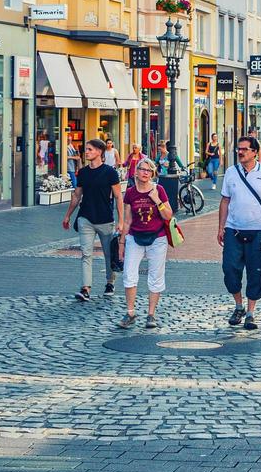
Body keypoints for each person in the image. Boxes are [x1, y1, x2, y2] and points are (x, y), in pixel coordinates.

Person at [217, 135, 261, 330]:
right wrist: (221, 227)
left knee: (256, 272)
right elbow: (225, 201)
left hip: (260, 231)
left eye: (244, 149)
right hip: (233, 229)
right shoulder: (230, 172)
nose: (240, 152)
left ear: (255, 152)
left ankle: (250, 312)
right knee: (229, 270)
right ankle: (238, 305)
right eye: (239, 148)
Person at [62, 138, 121, 302]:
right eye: (86, 149)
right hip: (85, 218)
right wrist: (68, 215)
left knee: (109, 254)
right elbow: (77, 195)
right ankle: (86, 288)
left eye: (89, 149)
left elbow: (118, 196)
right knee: (86, 254)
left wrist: (121, 221)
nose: (86, 152)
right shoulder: (83, 172)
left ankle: (110, 283)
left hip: (105, 219)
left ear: (99, 152)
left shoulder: (110, 172)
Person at [116, 157, 172, 329]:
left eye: (149, 170)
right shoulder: (131, 193)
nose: (146, 173)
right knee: (129, 274)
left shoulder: (159, 190)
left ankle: (151, 314)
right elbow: (127, 221)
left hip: (157, 238)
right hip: (134, 237)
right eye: (142, 169)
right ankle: (130, 312)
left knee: (155, 276)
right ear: (136, 172)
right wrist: (122, 243)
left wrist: (157, 200)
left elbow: (168, 215)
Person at [156, 142, 188, 216]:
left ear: (164, 148)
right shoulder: (159, 155)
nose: (160, 151)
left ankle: (178, 202)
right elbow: (156, 162)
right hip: (162, 175)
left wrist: (182, 167)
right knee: (161, 190)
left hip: (170, 174)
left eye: (160, 149)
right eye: (159, 149)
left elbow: (178, 161)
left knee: (171, 191)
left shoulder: (170, 154)